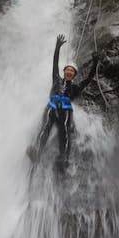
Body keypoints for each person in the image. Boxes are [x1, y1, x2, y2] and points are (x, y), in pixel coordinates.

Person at [27, 34, 100, 169]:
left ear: (74, 75)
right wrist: (57, 47)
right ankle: (37, 150)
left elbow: (89, 79)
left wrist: (95, 63)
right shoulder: (56, 79)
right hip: (52, 106)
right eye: (68, 69)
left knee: (64, 131)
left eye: (72, 71)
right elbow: (55, 63)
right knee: (45, 126)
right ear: (64, 71)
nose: (69, 72)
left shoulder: (75, 88)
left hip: (65, 109)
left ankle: (63, 157)